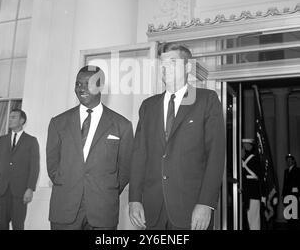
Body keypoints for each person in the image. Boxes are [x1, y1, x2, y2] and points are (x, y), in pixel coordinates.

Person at [129, 43, 225, 230]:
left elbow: (216, 156)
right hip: (152, 210)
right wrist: (134, 199)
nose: (165, 68)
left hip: (192, 210)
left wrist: (206, 203)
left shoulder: (207, 100)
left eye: (172, 62)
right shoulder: (148, 106)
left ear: (188, 67)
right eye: (162, 64)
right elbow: (139, 156)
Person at [46, 65, 133, 230]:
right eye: (78, 84)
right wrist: (68, 183)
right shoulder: (58, 123)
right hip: (64, 209)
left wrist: (107, 189)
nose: (81, 88)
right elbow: (52, 165)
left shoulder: (122, 125)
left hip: (103, 211)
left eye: (88, 84)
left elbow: (125, 169)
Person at [0, 109, 40, 230]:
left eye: (13, 117)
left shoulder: (31, 141)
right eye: (9, 117)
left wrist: (30, 188)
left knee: (18, 225)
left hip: (20, 191)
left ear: (22, 120)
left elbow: (35, 167)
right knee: (2, 226)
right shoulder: (2, 140)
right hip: (2, 190)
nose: (10, 119)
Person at [241, 138, 261, 230]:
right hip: (246, 192)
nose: (243, 147)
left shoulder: (254, 159)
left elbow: (257, 175)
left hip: (253, 192)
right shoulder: (241, 160)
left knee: (254, 218)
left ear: (249, 146)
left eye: (244, 145)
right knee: (248, 219)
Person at [282, 154, 300, 229]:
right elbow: (285, 184)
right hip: (287, 195)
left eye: (290, 160)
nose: (288, 162)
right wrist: (283, 195)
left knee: (294, 214)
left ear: (293, 161)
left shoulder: (298, 170)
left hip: (294, 195)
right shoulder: (286, 171)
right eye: (287, 160)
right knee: (288, 214)